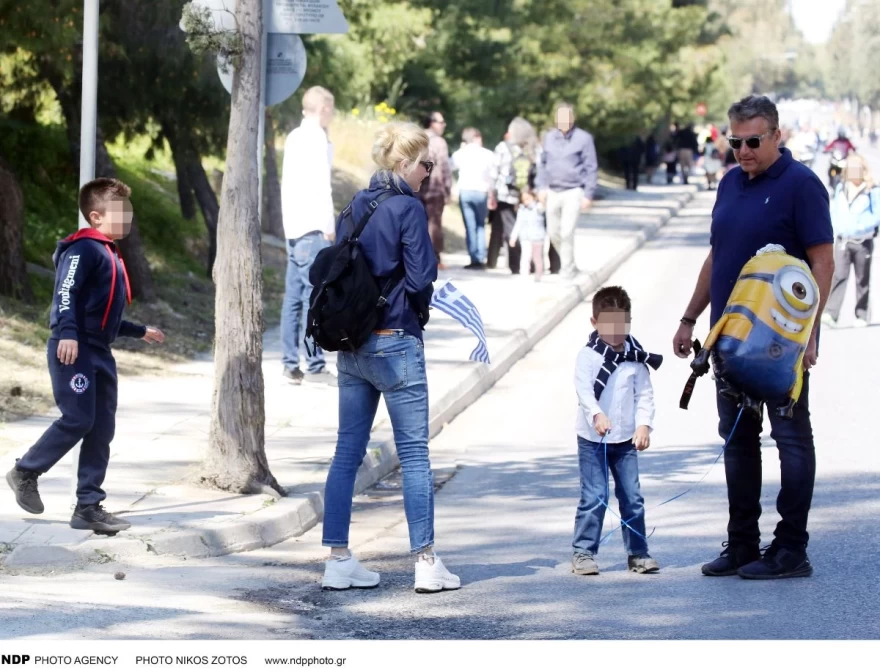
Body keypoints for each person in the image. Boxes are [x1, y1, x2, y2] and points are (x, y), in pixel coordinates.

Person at [673, 95, 834, 580]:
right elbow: (715, 258)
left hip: (779, 345)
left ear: (776, 136)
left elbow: (822, 261)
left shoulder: (801, 186)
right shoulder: (729, 184)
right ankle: (742, 544)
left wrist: (810, 333)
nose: (743, 150)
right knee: (738, 441)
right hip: (727, 340)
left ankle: (791, 549)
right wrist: (689, 318)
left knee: (790, 439)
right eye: (735, 141)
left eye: (753, 141)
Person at [320, 122, 460, 594]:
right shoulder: (407, 208)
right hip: (396, 340)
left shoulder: (353, 206)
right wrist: (417, 308)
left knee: (346, 453)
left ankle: (338, 560)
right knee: (415, 455)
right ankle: (425, 562)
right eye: (426, 164)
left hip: (353, 345)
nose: (430, 172)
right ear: (402, 164)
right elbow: (421, 279)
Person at [5, 178, 165, 533]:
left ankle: (88, 507)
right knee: (77, 418)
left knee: (101, 427)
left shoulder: (109, 252)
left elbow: (103, 314)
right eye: (121, 215)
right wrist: (67, 333)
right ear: (95, 216)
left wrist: (140, 331)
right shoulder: (84, 249)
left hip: (100, 351)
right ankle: (25, 471)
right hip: (73, 349)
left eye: (130, 215)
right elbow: (66, 293)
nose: (128, 221)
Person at [572, 286, 660, 576]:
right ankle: (584, 552)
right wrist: (596, 414)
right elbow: (584, 391)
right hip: (593, 439)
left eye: (622, 324)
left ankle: (638, 553)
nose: (616, 332)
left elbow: (644, 394)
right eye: (608, 326)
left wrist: (644, 425)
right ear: (595, 324)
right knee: (595, 495)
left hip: (625, 440)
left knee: (632, 496)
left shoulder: (635, 356)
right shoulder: (588, 356)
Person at [280, 86, 338, 386]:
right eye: (331, 109)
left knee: (293, 298)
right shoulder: (316, 138)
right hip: (313, 226)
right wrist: (330, 224)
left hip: (293, 226)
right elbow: (321, 185)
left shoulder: (293, 136)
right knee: (314, 297)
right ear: (324, 108)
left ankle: (290, 364)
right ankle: (315, 364)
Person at [536, 103, 598, 279]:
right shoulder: (549, 138)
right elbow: (543, 164)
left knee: (567, 231)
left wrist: (588, 194)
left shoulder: (584, 139)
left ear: (572, 118)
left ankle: (567, 271)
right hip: (553, 190)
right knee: (553, 231)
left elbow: (591, 167)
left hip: (574, 190)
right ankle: (569, 263)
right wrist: (541, 187)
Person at [822, 154, 880, 328]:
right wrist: (837, 226)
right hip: (843, 241)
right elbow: (835, 210)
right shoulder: (841, 188)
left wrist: (861, 226)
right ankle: (831, 314)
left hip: (863, 241)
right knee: (838, 275)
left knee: (862, 279)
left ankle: (861, 314)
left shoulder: (872, 190)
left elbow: (877, 215)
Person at [487, 117, 538, 275]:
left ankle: (516, 265)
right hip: (527, 197)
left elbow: (493, 173)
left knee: (511, 230)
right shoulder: (532, 149)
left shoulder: (503, 147)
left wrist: (491, 195)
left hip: (505, 195)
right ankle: (531, 263)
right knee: (528, 229)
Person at [450, 127, 495, 270]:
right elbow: (492, 175)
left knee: (470, 226)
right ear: (476, 137)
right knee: (481, 225)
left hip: (466, 191)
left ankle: (474, 257)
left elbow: (448, 167)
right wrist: (492, 194)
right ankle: (481, 257)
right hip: (481, 191)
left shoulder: (460, 153)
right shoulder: (487, 154)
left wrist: (453, 186)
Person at [417, 111, 453, 268]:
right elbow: (444, 167)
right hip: (435, 189)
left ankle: (418, 258)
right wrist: (448, 189)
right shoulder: (439, 142)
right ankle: (435, 259)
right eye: (441, 122)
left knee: (417, 223)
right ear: (432, 123)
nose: (443, 125)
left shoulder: (417, 137)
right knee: (434, 225)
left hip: (416, 187)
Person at [509, 188, 546, 281]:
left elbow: (544, 207)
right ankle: (524, 275)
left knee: (537, 258)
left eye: (528, 198)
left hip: (537, 237)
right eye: (524, 199)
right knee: (525, 257)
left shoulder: (538, 207)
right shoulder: (521, 210)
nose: (526, 201)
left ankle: (538, 275)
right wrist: (513, 236)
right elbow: (518, 224)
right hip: (525, 237)